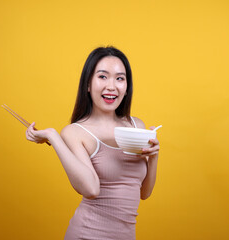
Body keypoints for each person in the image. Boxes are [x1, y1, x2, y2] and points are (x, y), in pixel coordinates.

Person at [25, 46, 160, 239]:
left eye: (120, 78)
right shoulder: (75, 132)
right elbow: (91, 189)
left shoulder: (137, 126)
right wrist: (53, 136)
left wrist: (154, 155)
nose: (112, 86)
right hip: (87, 234)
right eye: (103, 77)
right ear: (88, 84)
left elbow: (144, 193)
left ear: (127, 86)